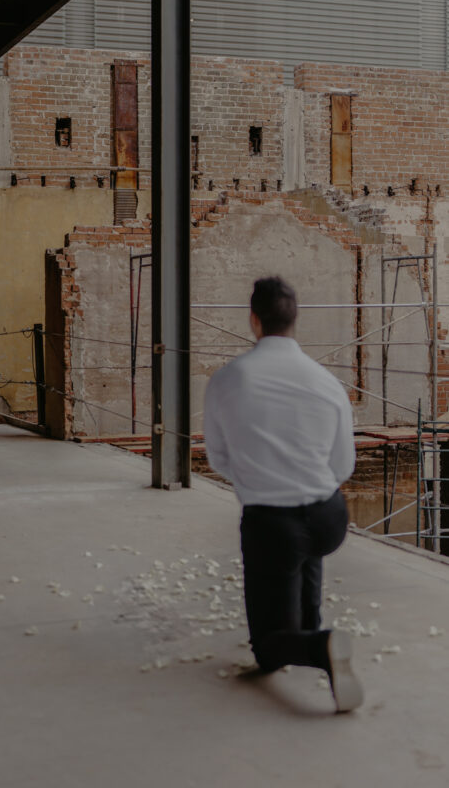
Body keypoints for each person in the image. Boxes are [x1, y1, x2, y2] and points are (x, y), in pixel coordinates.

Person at [203, 276, 363, 713]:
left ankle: (319, 646)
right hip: (329, 519)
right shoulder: (327, 383)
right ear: (296, 321)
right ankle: (312, 630)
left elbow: (218, 458)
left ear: (254, 320)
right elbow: (341, 466)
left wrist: (261, 478)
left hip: (272, 524)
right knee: (305, 549)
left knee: (269, 650)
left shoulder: (227, 380)